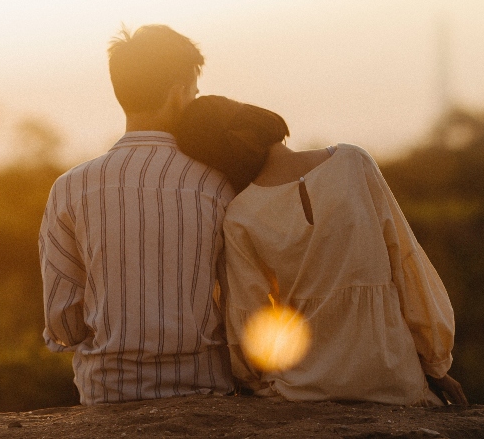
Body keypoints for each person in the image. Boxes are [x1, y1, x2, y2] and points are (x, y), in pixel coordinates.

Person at [173, 95, 467, 406]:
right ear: (256, 116)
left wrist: (254, 381)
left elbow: (249, 321)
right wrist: (435, 364)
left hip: (301, 389)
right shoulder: (354, 162)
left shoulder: (240, 216)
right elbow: (406, 264)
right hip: (393, 379)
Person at [39, 25, 236, 404]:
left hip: (108, 392)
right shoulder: (217, 185)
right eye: (194, 93)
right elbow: (239, 302)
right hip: (205, 389)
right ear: (179, 94)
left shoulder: (70, 187)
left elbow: (61, 320)